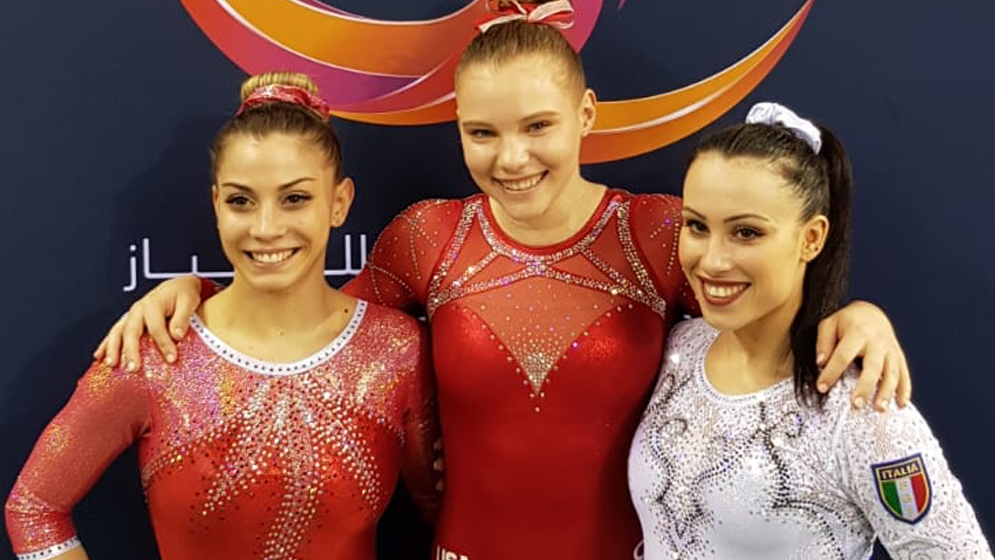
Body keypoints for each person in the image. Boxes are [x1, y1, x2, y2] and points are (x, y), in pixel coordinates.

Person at [92, 3, 911, 559]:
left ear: (585, 115)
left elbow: (762, 324)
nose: (510, 158)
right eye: (481, 132)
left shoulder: (656, 231)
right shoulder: (429, 236)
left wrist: (857, 314)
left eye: (537, 126)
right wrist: (196, 294)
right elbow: (308, 328)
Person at [5, 73, 438, 560]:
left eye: (295, 198)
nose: (266, 228)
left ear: (339, 202)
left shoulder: (396, 350)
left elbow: (447, 508)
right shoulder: (155, 351)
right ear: (216, 205)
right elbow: (33, 509)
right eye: (241, 201)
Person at [628, 102, 993, 559]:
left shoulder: (860, 408)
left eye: (746, 233)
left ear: (812, 238)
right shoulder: (681, 347)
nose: (712, 260)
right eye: (697, 226)